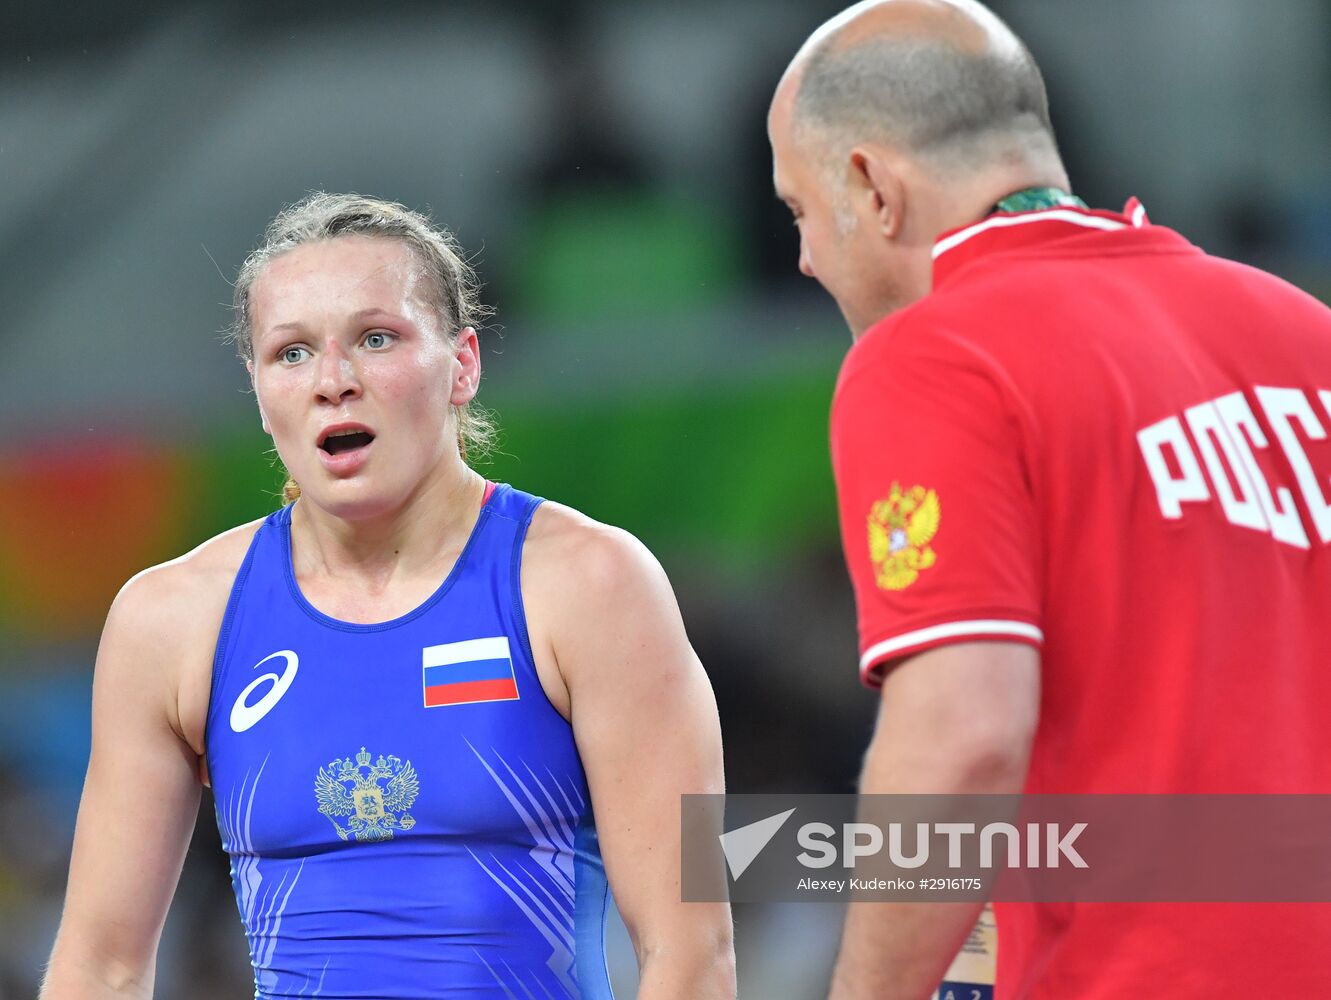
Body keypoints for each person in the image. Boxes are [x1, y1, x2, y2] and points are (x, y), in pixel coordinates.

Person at [768, 1, 1331, 997]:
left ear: (870, 185)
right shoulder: (1304, 335)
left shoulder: (933, 356)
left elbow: (963, 740)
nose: (807, 257)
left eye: (799, 212)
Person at [41, 193, 735, 999]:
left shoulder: (591, 586)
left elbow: (689, 953)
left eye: (376, 339)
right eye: (291, 353)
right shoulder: (171, 621)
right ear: (260, 392)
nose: (333, 381)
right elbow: (100, 967)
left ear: (463, 364)